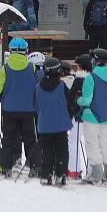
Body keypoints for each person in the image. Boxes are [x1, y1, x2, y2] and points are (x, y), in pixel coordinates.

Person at [0, 37, 42, 178]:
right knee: (30, 139)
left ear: (11, 50)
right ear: (25, 51)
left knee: (8, 139)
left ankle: (6, 168)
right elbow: (35, 87)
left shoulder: (5, 68)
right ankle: (34, 166)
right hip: (28, 110)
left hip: (9, 110)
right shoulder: (31, 67)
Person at [77, 48, 107, 184]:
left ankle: (96, 174)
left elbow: (87, 99)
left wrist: (78, 100)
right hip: (106, 115)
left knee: (92, 144)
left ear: (96, 61)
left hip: (91, 115)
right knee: (104, 143)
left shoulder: (91, 77)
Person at [35, 57, 72, 186]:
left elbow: (36, 106)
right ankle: (61, 174)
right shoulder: (62, 86)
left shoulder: (38, 88)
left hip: (45, 125)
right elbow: (69, 103)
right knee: (61, 150)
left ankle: (46, 174)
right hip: (60, 125)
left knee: (47, 151)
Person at [67, 54, 92, 179]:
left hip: (78, 116)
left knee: (73, 142)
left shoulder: (79, 80)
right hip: (93, 117)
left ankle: (74, 170)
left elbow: (71, 99)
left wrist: (70, 113)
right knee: (91, 143)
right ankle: (92, 170)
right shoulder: (94, 79)